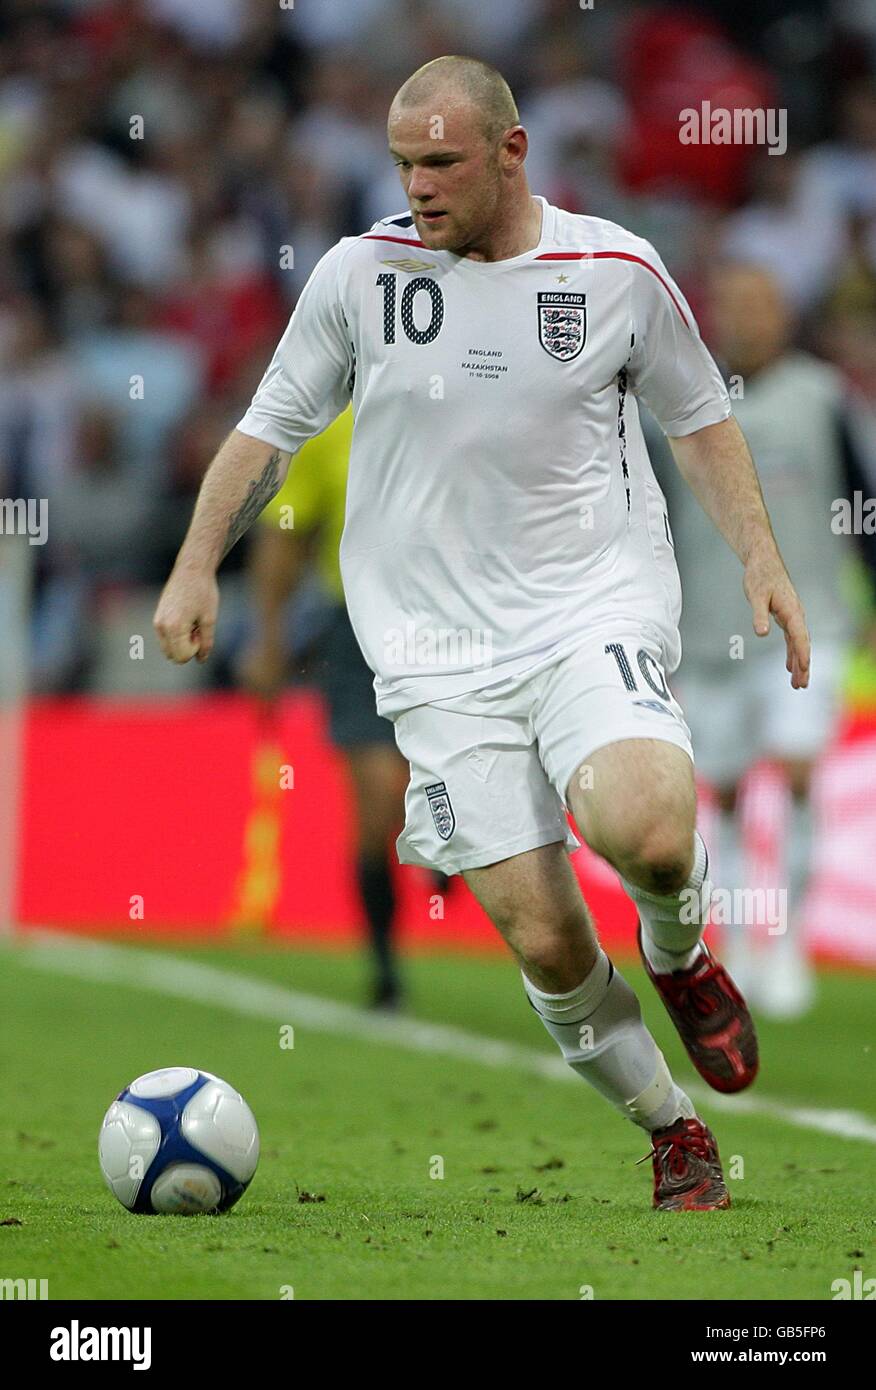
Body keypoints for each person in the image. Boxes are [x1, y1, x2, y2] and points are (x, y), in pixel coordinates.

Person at [154, 56, 811, 1212]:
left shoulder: (615, 269)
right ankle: (674, 1130)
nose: (417, 186)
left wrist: (761, 555)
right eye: (404, 163)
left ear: (512, 153)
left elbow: (700, 416)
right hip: (431, 657)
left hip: (587, 606)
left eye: (442, 162)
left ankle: (679, 954)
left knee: (647, 827)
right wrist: (196, 562)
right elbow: (267, 430)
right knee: (546, 937)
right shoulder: (361, 275)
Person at [647, 263, 876, 1018]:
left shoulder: (823, 398)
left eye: (762, 304)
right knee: (732, 791)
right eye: (734, 306)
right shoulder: (679, 403)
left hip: (806, 624)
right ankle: (745, 938)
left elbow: (861, 501)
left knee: (801, 770)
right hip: (707, 629)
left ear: (785, 313)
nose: (748, 320)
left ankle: (793, 941)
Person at [240, 407, 409, 1010]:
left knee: (438, 789)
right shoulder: (334, 429)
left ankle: (452, 847)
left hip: (455, 624)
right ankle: (386, 966)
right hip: (357, 630)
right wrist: (268, 638)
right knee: (380, 796)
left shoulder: (464, 404)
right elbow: (285, 535)